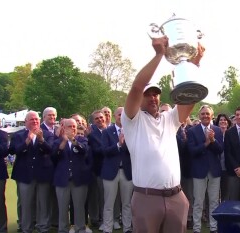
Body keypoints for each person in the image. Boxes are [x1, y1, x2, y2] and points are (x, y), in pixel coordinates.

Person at [121, 36, 204, 233]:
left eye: (156, 93)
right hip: (146, 199)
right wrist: (159, 54)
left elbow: (189, 97)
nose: (153, 97)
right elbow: (136, 87)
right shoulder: (132, 119)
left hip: (176, 197)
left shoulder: (169, 118)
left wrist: (194, 63)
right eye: (148, 94)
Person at [10, 111, 55, 233]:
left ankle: (43, 227)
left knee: (43, 203)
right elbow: (14, 151)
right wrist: (27, 141)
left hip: (43, 174)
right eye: (31, 119)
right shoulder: (18, 135)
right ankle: (26, 228)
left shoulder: (47, 134)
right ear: (26, 121)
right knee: (26, 204)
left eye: (36, 119)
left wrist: (41, 140)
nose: (35, 121)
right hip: (24, 174)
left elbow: (50, 150)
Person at [187, 105, 223, 233]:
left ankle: (213, 227)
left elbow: (220, 150)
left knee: (214, 201)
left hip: (214, 171)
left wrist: (213, 141)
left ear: (212, 115)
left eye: (207, 114)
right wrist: (206, 143)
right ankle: (197, 228)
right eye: (203, 114)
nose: (205, 116)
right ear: (199, 116)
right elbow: (192, 151)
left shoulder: (217, 130)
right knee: (198, 201)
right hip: (199, 171)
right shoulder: (192, 131)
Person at [52, 119, 90, 233]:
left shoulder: (82, 139)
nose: (73, 129)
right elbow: (53, 157)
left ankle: (80, 228)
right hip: (62, 179)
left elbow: (84, 151)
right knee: (63, 207)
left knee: (79, 207)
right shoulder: (57, 142)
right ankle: (63, 229)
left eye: (74, 126)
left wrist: (73, 140)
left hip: (79, 179)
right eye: (70, 126)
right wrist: (63, 142)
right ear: (63, 127)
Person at [101, 107, 133, 233]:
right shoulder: (107, 132)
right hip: (110, 172)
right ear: (115, 116)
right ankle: (107, 229)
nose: (121, 116)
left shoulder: (132, 131)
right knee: (109, 204)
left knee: (127, 203)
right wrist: (118, 145)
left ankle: (127, 228)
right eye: (119, 114)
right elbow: (104, 151)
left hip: (127, 172)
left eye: (123, 114)